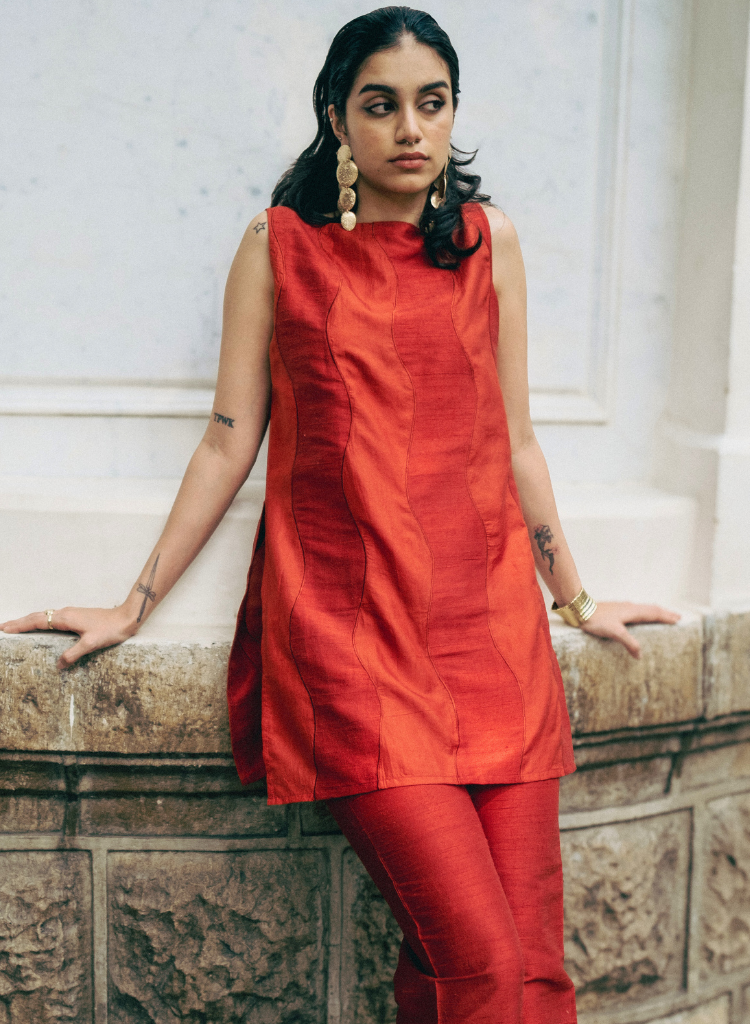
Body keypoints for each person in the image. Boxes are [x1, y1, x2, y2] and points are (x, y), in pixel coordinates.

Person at [1, 8, 680, 1022]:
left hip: (492, 642)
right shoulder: (280, 248)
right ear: (336, 117)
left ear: (453, 113)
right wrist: (132, 605)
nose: (410, 128)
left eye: (432, 103)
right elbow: (228, 439)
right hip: (358, 651)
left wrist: (576, 601)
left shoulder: (489, 245)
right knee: (479, 963)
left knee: (534, 972)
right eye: (381, 104)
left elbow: (517, 443)